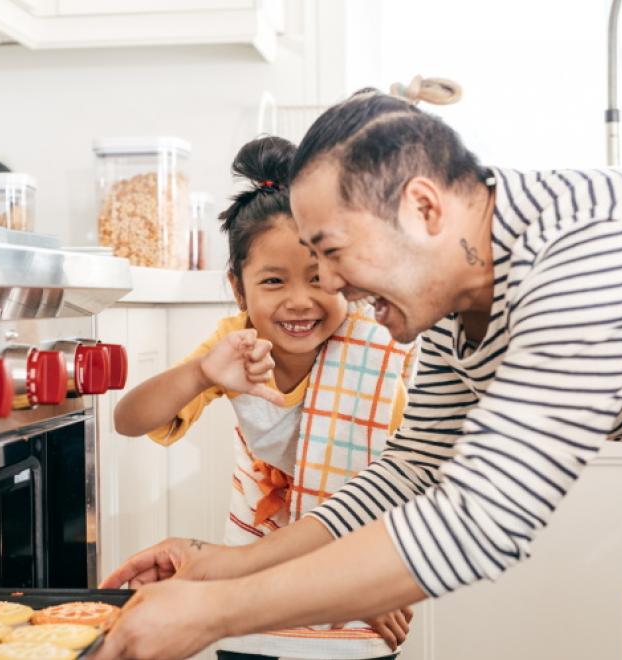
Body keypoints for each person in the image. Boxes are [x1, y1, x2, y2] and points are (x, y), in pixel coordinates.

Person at [94, 89, 622, 660]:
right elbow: (411, 470)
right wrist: (224, 566)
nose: (333, 287)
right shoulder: (455, 295)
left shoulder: (591, 261)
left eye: (334, 252)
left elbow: (483, 519)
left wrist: (215, 613)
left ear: (422, 209)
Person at [111, 135, 417, 659]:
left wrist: (375, 577)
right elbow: (129, 419)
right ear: (238, 288)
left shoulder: (382, 345)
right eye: (273, 281)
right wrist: (202, 373)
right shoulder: (236, 345)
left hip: (362, 573)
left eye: (319, 279)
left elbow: (405, 474)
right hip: (250, 570)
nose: (300, 301)